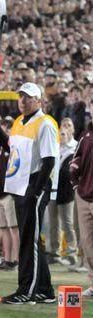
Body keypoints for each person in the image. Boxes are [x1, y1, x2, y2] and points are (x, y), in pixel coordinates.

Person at [0, 82, 59, 304]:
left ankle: (26, 290)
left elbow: (50, 160)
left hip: (35, 184)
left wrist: (35, 190)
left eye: (28, 97)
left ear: (39, 101)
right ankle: (44, 289)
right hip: (22, 184)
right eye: (21, 97)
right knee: (29, 238)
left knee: (28, 240)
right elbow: (12, 150)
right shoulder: (18, 123)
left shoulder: (46, 124)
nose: (23, 101)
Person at [45, 119, 78, 265]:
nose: (64, 129)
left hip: (68, 192)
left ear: (73, 130)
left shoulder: (75, 147)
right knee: (53, 223)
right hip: (53, 189)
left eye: (68, 126)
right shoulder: (55, 146)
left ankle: (72, 251)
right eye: (62, 126)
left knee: (68, 223)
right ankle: (54, 252)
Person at [70, 103, 93, 297]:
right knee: (87, 242)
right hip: (84, 196)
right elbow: (74, 161)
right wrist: (76, 187)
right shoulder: (85, 135)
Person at [0, 117, 18, 270]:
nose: (6, 129)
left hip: (10, 193)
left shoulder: (14, 145)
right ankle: (7, 259)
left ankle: (15, 259)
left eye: (9, 127)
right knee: (2, 228)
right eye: (4, 127)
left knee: (13, 228)